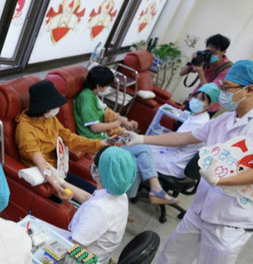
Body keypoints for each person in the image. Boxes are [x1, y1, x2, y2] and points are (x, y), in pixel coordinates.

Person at [129, 60, 253, 264]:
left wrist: (222, 180)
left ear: (249, 89)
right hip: (202, 206)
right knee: (175, 250)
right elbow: (185, 136)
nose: (224, 93)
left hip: (232, 218)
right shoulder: (223, 120)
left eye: (228, 88)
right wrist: (143, 138)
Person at [73, 66, 179, 205]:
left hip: (106, 137)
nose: (108, 88)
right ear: (99, 85)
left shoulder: (93, 96)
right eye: (107, 85)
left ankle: (125, 201)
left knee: (136, 161)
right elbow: (95, 127)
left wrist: (126, 122)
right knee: (143, 149)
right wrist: (116, 124)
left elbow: (109, 111)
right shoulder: (86, 98)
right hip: (97, 141)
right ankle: (154, 189)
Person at [16, 80, 111, 204]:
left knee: (97, 193)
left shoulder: (49, 119)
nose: (57, 108)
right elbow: (42, 163)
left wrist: (99, 144)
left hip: (60, 170)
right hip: (47, 177)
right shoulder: (25, 130)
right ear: (45, 108)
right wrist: (57, 185)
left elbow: (70, 139)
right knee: (92, 202)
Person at [69, 146, 137, 264]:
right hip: (98, 259)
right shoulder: (120, 194)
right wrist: (59, 182)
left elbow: (73, 254)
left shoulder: (98, 209)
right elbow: (88, 198)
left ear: (97, 171)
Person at [151, 83, 220, 178]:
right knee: (143, 149)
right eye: (196, 97)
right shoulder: (196, 115)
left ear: (209, 105)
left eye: (202, 99)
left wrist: (144, 139)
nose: (196, 101)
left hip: (175, 162)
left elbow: (176, 141)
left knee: (142, 153)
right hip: (172, 152)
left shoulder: (200, 123)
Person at [179, 34, 232, 115]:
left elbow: (209, 91)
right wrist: (193, 60)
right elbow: (181, 73)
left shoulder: (227, 69)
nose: (210, 55)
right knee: (180, 121)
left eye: (213, 53)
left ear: (223, 52)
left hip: (208, 106)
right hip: (194, 100)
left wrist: (200, 72)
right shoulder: (205, 58)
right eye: (208, 51)